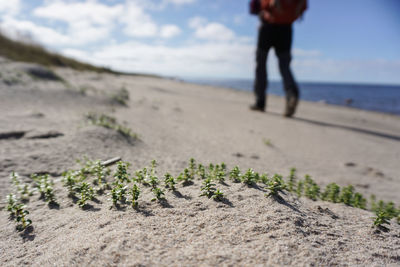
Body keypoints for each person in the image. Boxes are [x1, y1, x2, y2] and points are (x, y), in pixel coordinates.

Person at [250, 0, 307, 117]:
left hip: (267, 25)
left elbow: (254, 7)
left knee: (261, 63)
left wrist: (262, 13)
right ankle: (292, 94)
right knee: (284, 65)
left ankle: (260, 101)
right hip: (286, 28)